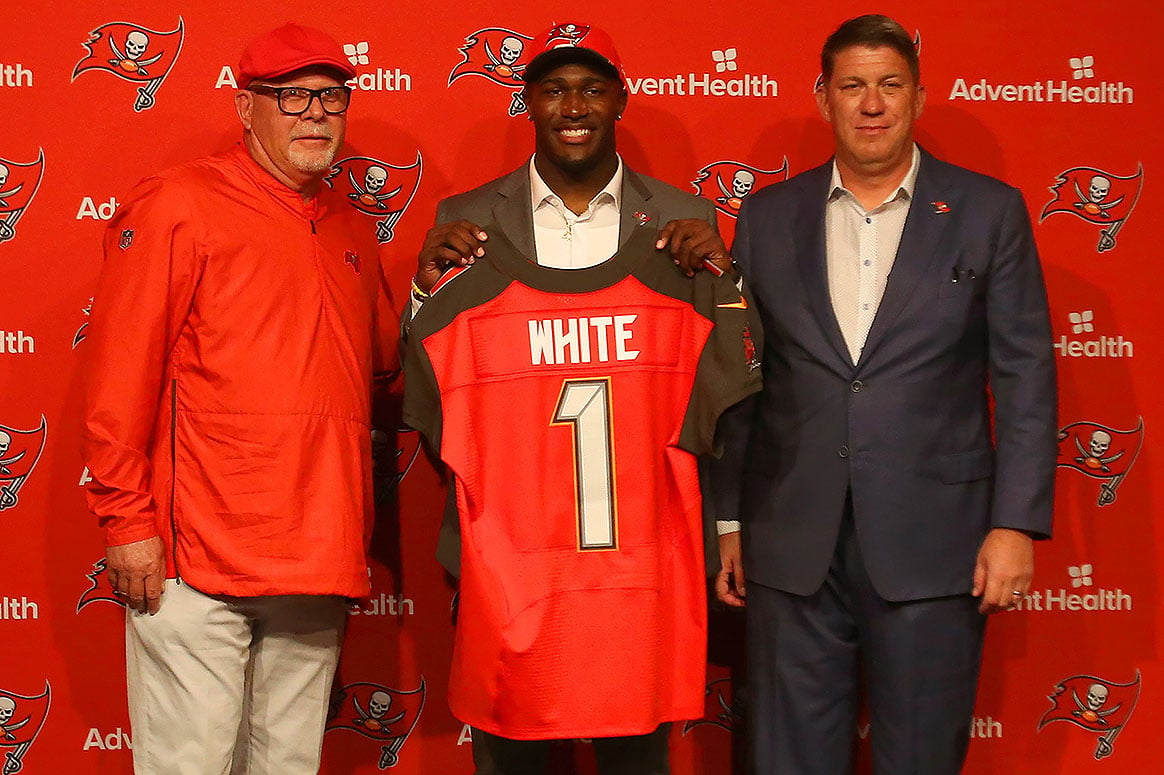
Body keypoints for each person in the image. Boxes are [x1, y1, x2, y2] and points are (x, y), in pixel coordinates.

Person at [403, 22, 755, 775]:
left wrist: (725, 278)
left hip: (639, 565)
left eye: (592, 88)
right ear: (527, 100)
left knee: (638, 757)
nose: (574, 105)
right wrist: (420, 290)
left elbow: (730, 385)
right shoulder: (465, 221)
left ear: (620, 100)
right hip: (512, 568)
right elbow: (433, 389)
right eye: (555, 88)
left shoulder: (681, 224)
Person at [711, 14, 1057, 775]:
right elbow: (741, 375)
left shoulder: (987, 212)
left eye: (890, 85)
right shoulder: (767, 217)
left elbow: (1026, 375)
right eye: (854, 86)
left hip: (938, 541)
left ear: (919, 98)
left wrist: (1016, 524)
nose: (873, 104)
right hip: (790, 535)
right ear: (823, 97)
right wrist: (729, 515)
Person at [80, 23, 399, 775]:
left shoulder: (353, 226)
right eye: (290, 96)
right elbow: (122, 368)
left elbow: (383, 364)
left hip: (319, 552)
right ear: (244, 106)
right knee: (190, 766)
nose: (315, 113)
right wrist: (127, 517)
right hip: (197, 559)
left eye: (330, 95)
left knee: (287, 767)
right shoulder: (180, 202)